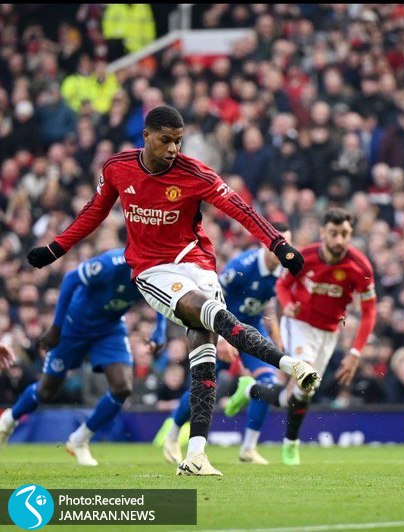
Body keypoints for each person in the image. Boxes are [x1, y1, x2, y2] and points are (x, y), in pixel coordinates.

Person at [26, 105, 320, 476]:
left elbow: (241, 209)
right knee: (208, 313)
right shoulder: (117, 167)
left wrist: (278, 244)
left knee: (204, 353)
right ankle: (288, 364)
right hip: (152, 269)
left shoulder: (194, 173)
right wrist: (56, 248)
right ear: (146, 136)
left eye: (178, 141)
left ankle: (196, 455)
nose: (172, 149)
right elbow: (94, 211)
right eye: (165, 140)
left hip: (196, 262)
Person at [225, 208, 377, 466]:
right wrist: (287, 305)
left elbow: (369, 311)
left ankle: (251, 390)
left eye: (345, 234)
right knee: (305, 376)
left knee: (299, 394)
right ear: (323, 232)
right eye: (334, 233)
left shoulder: (360, 266)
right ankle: (291, 445)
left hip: (328, 333)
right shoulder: (304, 256)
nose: (339, 240)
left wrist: (355, 353)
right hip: (299, 324)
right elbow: (282, 285)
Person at [0, 249, 166, 466]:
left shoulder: (156, 269)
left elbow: (161, 294)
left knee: (122, 387)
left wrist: (160, 329)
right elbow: (71, 279)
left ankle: (80, 439)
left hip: (109, 329)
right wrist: (56, 327)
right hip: (73, 326)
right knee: (47, 391)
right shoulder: (111, 263)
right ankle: (9, 419)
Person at [163, 223, 292, 466]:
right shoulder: (241, 267)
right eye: (278, 245)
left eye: (286, 245)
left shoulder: (283, 271)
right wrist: (221, 337)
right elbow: (211, 298)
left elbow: (271, 303)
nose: (282, 251)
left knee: (268, 383)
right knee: (204, 383)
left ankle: (248, 448)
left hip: (251, 331)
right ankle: (173, 435)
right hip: (222, 329)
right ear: (265, 243)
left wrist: (277, 335)